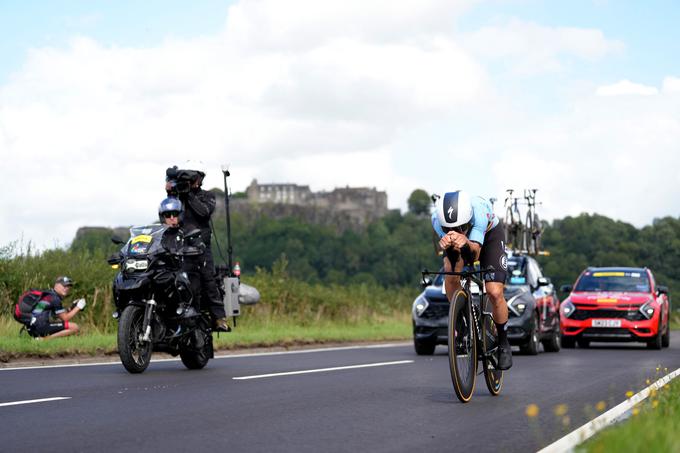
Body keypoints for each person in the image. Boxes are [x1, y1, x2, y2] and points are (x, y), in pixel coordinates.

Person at [432, 191, 512, 370]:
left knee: (494, 291)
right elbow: (454, 258)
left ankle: (504, 342)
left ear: (468, 220)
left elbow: (474, 254)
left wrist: (465, 242)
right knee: (450, 272)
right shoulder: (437, 221)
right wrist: (450, 243)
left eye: (462, 227)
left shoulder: (479, 213)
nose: (457, 231)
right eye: (450, 229)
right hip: (464, 243)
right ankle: (461, 320)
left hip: (489, 236)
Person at [165, 161, 229, 332]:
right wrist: (172, 180)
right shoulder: (177, 197)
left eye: (193, 177)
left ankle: (219, 317)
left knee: (208, 280)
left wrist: (189, 195)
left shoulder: (207, 196)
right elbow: (167, 206)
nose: (191, 181)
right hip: (178, 244)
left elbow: (203, 212)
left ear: (200, 179)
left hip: (200, 245)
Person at [158, 197, 203, 312]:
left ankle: (194, 318)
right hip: (166, 272)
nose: (172, 218)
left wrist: (192, 249)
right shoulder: (160, 234)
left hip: (186, 270)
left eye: (175, 214)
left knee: (191, 284)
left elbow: (199, 245)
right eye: (168, 215)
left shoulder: (188, 229)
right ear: (163, 217)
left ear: (180, 215)